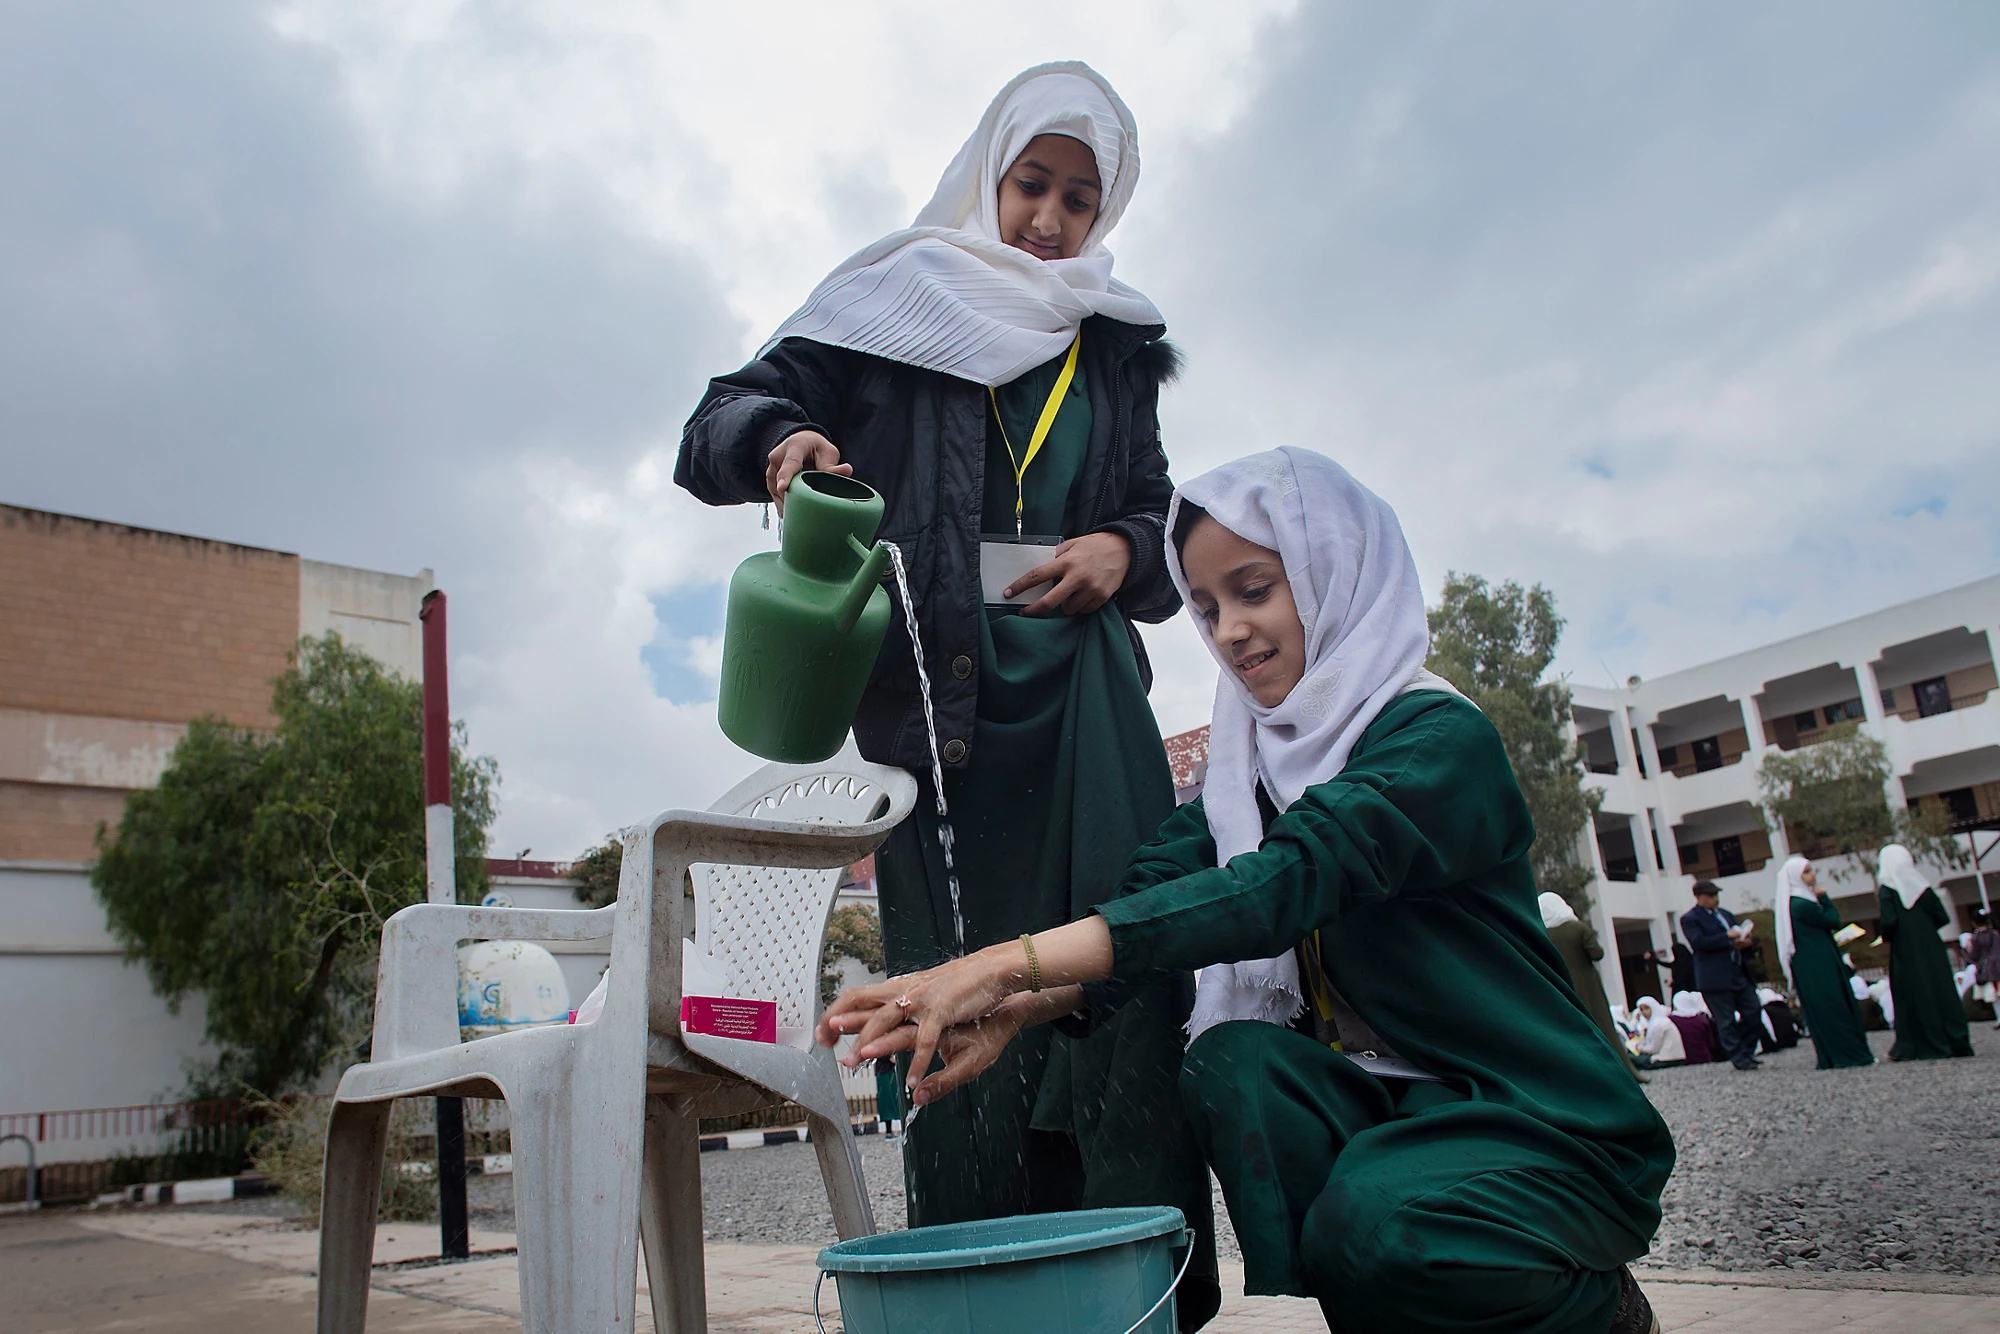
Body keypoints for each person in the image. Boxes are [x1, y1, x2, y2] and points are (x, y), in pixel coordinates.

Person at [821, 448, 1673, 1334]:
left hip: (1537, 1122)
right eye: (1207, 606)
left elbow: (1280, 884)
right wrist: (1020, 1003)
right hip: (1397, 1112)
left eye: (1256, 589)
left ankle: (1596, 1308)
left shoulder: (1435, 742)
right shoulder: (1249, 778)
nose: (1229, 630)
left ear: (1335, 572)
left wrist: (1003, 962)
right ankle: (1402, 1298)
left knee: (1379, 1227)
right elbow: (1161, 888)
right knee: (1236, 1065)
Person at [675, 62, 1219, 1326]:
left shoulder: (1114, 341)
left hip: (1084, 696)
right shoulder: (893, 297)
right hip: (940, 709)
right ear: (989, 174)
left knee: (1121, 972)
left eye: (1080, 199)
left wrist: (1123, 552)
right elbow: (719, 415)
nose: (1048, 218)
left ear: (1104, 215)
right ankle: (981, 1299)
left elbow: (1154, 508)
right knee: (952, 995)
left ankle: (1144, 1296)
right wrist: (782, 445)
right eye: (1031, 182)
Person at [1770, 855, 1873, 1069]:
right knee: (1833, 1005)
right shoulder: (1801, 904)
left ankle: (1835, 1055)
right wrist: (1825, 898)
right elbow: (1832, 920)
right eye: (1807, 872)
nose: (1813, 875)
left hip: (1814, 961)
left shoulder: (1798, 902)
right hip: (1817, 963)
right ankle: (1849, 1055)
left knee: (1826, 1007)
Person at [1877, 845, 1974, 1061]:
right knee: (1941, 991)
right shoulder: (1923, 887)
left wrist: (1889, 935)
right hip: (1932, 949)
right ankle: (1956, 1041)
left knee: (1913, 995)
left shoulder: (1887, 889)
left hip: (1905, 950)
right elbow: (1942, 917)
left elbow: (1889, 922)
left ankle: (1916, 1045)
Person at [1540, 891, 1634, 1073]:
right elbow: (1597, 953)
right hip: (1588, 984)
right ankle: (1622, 1070)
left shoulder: (1544, 934)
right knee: (1602, 1024)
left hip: (1562, 986)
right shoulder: (1578, 928)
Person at [1679, 881, 1763, 1070]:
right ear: (1699, 897)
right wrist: (1727, 937)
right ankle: (1738, 1057)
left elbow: (1734, 939)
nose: (1715, 899)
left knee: (1753, 1010)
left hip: (1737, 970)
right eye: (1710, 895)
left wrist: (1743, 942)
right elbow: (1699, 942)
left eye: (1716, 895)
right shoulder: (1691, 919)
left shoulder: (1725, 915)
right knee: (1726, 1020)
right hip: (1714, 976)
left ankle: (1747, 1050)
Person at [1964, 907, 1999, 1027]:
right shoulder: (1995, 934)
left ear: (1974, 922)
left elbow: (1973, 956)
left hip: (1987, 969)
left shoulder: (1976, 938)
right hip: (1998, 965)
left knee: (1993, 995)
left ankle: (1999, 1017)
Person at [1630, 996, 1686, 1069]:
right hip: (1674, 1058)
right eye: (1641, 1009)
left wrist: (1638, 1047)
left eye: (1646, 1008)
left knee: (1630, 1058)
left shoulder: (1658, 1024)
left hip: (1668, 1059)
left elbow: (1653, 1049)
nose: (1644, 1012)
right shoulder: (1658, 1022)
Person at [1669, 991, 1718, 1064]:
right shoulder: (1702, 1019)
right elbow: (1711, 1042)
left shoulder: (1671, 1020)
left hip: (1683, 1059)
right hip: (1704, 1057)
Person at [873, 1054, 903, 1137]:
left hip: (885, 1072)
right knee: (891, 1101)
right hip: (886, 1072)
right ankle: (891, 1130)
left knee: (889, 1102)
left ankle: (890, 1131)